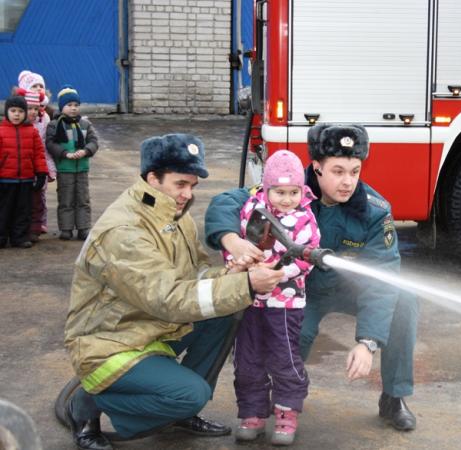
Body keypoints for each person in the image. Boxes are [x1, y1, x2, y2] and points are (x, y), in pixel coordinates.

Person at [63, 133, 285, 450]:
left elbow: (191, 276)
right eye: (180, 184)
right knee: (192, 393)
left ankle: (180, 411)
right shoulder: (124, 231)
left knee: (224, 313)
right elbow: (168, 299)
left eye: (192, 186)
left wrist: (230, 273)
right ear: (152, 177)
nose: (187, 194)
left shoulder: (173, 216)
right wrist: (246, 285)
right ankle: (87, 405)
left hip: (146, 323)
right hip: (110, 339)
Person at [205, 124, 419, 431]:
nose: (348, 182)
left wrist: (368, 342)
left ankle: (394, 397)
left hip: (346, 288)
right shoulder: (288, 188)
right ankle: (268, 399)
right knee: (292, 344)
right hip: (298, 288)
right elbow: (225, 202)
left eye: (355, 171)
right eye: (337, 171)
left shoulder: (374, 211)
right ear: (316, 168)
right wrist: (230, 239)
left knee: (403, 300)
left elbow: (382, 280)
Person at [228, 149, 320, 445]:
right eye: (279, 192)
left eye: (293, 192)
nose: (287, 199)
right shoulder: (252, 209)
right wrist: (238, 262)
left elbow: (308, 259)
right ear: (266, 189)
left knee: (284, 358)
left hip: (286, 303)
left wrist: (281, 273)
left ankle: (286, 413)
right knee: (247, 358)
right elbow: (237, 244)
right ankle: (252, 413)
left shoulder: (305, 218)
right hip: (250, 300)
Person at [46, 85, 98, 241]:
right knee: (66, 199)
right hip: (65, 168)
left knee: (83, 199)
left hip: (82, 168)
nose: (73, 108)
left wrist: (86, 151)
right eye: (69, 105)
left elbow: (93, 141)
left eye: (76, 105)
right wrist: (65, 154)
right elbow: (50, 144)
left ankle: (83, 228)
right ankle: (66, 229)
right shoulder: (54, 125)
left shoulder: (85, 124)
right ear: (62, 107)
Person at [0, 95, 48, 249]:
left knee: (23, 211)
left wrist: (41, 173)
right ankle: (1, 237)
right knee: (4, 210)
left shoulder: (32, 132)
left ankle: (19, 237)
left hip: (26, 180)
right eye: (13, 111)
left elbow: (39, 154)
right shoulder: (1, 131)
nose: (16, 114)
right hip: (5, 180)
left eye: (20, 111)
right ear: (7, 112)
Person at [19, 88, 55, 241]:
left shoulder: (43, 122)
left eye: (36, 108)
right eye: (29, 108)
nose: (33, 112)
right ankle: (19, 228)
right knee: (20, 201)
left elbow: (44, 151)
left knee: (38, 199)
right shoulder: (16, 125)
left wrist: (49, 169)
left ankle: (36, 227)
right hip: (19, 172)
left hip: (38, 169)